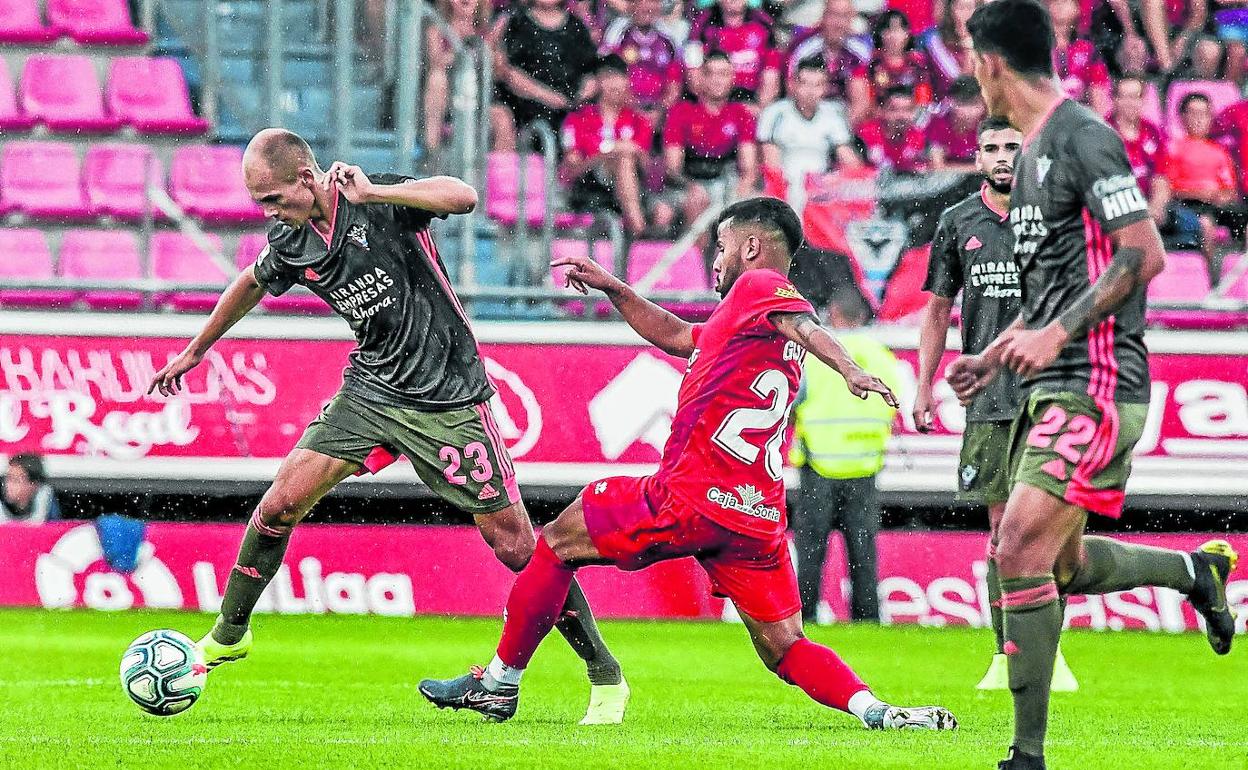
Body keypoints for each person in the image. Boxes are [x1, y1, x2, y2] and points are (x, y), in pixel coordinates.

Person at [418, 197, 957, 733]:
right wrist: (615, 288)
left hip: (689, 496)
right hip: (753, 518)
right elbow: (678, 335)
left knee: (557, 542)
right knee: (785, 645)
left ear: (751, 247)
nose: (715, 262)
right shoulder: (745, 325)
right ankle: (878, 711)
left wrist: (847, 368)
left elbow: (805, 325)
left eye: (721, 248)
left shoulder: (759, 286)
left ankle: (499, 683)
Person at [146, 129, 629, 726]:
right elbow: (250, 282)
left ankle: (604, 671)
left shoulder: (377, 199)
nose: (267, 212)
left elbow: (464, 196)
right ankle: (230, 631)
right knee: (279, 505)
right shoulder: (291, 240)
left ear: (306, 178)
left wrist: (374, 193)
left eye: (272, 198)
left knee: (515, 546)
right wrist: (197, 349)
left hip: (447, 396)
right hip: (370, 390)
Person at [956, 2, 1237, 766]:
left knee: (1015, 548)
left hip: (1101, 380)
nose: (972, 72)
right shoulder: (1034, 154)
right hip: (1050, 380)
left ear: (992, 62)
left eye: (973, 59)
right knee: (1062, 566)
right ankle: (1197, 573)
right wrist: (997, 351)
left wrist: (1055, 334)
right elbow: (1053, 292)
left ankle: (1026, 756)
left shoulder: (1083, 136)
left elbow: (1143, 253)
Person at [915, 115, 1078, 693]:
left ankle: (1048, 655)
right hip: (988, 401)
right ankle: (1007, 654)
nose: (1004, 156)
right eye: (993, 148)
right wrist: (923, 385)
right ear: (978, 157)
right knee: (1000, 533)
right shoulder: (958, 222)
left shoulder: (1055, 218)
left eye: (1014, 146)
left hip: (1049, 393)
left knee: (1046, 532)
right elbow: (938, 310)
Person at [789, 291, 899, 623]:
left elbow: (792, 403)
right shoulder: (882, 356)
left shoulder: (817, 356)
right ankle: (867, 621)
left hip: (819, 467)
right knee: (863, 555)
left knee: (811, 553)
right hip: (864, 467)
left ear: (833, 313)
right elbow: (893, 405)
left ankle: (804, 619)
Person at [560, 55, 669, 237]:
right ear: (598, 82)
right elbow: (570, 172)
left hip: (635, 190)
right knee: (623, 156)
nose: (616, 84)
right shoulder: (578, 119)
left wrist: (633, 151)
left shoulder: (639, 121)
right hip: (590, 191)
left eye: (620, 78)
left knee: (664, 210)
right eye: (609, 78)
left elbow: (649, 174)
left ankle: (639, 230)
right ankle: (640, 230)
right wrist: (609, 152)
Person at [663, 50, 759, 228]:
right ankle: (698, 248)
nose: (717, 80)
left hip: (727, 184)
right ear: (701, 78)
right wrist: (692, 187)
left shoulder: (741, 114)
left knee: (758, 208)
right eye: (711, 73)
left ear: (732, 79)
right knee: (688, 205)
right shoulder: (681, 112)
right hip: (689, 184)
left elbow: (749, 169)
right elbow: (673, 169)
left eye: (723, 74)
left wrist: (741, 190)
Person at [756, 57, 861, 214]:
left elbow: (849, 159)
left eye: (817, 85)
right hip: (785, 184)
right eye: (805, 84)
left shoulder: (833, 114)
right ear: (793, 84)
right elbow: (771, 162)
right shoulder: (775, 113)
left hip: (821, 188)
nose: (811, 91)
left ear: (825, 87)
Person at [493, 0, 598, 152]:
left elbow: (591, 71)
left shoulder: (576, 26)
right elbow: (509, 73)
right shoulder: (516, 23)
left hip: (570, 110)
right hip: (528, 110)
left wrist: (578, 96)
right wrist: (548, 97)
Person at [1161, 91, 1247, 277]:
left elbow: (1230, 190)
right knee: (1205, 225)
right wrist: (1202, 193)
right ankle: (1210, 280)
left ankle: (1239, 279)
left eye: (1204, 113)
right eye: (1193, 113)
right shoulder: (1172, 148)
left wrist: (1220, 196)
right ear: (1182, 117)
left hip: (1216, 206)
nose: (1199, 119)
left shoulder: (1220, 152)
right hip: (1186, 206)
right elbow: (1168, 188)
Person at [598, 0, 684, 128]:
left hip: (660, 115)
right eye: (640, 2)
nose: (646, 7)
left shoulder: (669, 38)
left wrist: (659, 111)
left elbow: (674, 84)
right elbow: (608, 77)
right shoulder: (617, 33)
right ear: (631, 5)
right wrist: (637, 112)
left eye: (652, 2)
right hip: (624, 114)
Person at [422, 0, 494, 152]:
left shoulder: (486, 31)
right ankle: (431, 149)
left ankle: (499, 165)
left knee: (503, 117)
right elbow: (437, 62)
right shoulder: (437, 29)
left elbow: (498, 67)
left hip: (481, 93)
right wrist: (462, 50)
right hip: (448, 93)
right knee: (436, 79)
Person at [686, 0, 782, 106]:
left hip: (752, 101)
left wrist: (758, 108)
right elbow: (694, 79)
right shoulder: (701, 23)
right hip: (713, 103)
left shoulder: (763, 22)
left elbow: (771, 77)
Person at [848, 9, 934, 125]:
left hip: (911, 122)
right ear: (880, 33)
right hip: (878, 123)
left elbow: (923, 102)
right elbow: (866, 104)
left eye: (899, 29)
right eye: (889, 30)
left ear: (907, 34)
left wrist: (905, 117)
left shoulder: (918, 64)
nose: (894, 36)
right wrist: (889, 116)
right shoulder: (871, 64)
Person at [1109, 76, 1170, 231]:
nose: (1130, 103)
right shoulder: (1103, 131)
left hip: (1150, 207)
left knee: (1194, 224)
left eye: (1135, 97)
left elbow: (1160, 178)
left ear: (1143, 100)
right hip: (1115, 208)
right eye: (1124, 97)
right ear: (1114, 100)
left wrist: (1155, 206)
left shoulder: (1153, 131)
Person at [785, 0, 872, 102]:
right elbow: (791, 85)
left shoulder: (860, 50)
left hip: (846, 108)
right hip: (811, 107)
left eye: (844, 16)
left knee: (859, 84)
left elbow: (866, 96)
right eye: (833, 15)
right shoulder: (805, 46)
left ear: (851, 20)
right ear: (823, 16)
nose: (838, 23)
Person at [855, 86, 929, 173]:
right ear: (882, 111)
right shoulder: (864, 135)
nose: (901, 116)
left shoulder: (919, 138)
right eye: (894, 110)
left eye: (907, 110)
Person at [921, 0, 982, 98]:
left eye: (970, 8)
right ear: (950, 11)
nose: (966, 14)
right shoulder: (936, 42)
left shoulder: (985, 41)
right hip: (947, 102)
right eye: (961, 8)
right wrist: (967, 48)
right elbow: (960, 85)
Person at [928, 75, 989, 172]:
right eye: (963, 105)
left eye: (975, 104)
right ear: (950, 103)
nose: (970, 112)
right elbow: (938, 168)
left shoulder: (989, 125)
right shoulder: (938, 125)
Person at [0, 454, 61, 525]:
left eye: (15, 480)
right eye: (8, 478)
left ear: (34, 484)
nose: (8, 485)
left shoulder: (50, 503)